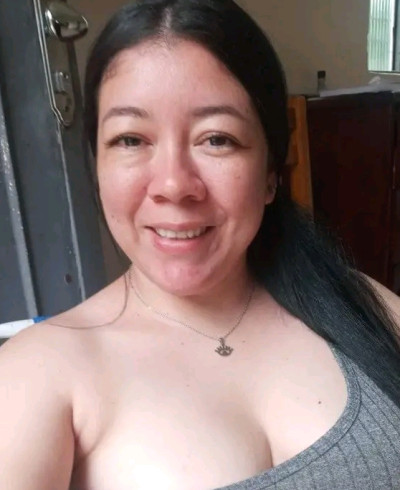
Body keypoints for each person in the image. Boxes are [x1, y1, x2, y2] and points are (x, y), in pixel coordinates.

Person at [1, 0, 400, 488]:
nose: (174, 185)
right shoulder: (37, 373)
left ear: (271, 173)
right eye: (131, 140)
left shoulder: (358, 302)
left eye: (217, 139)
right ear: (97, 167)